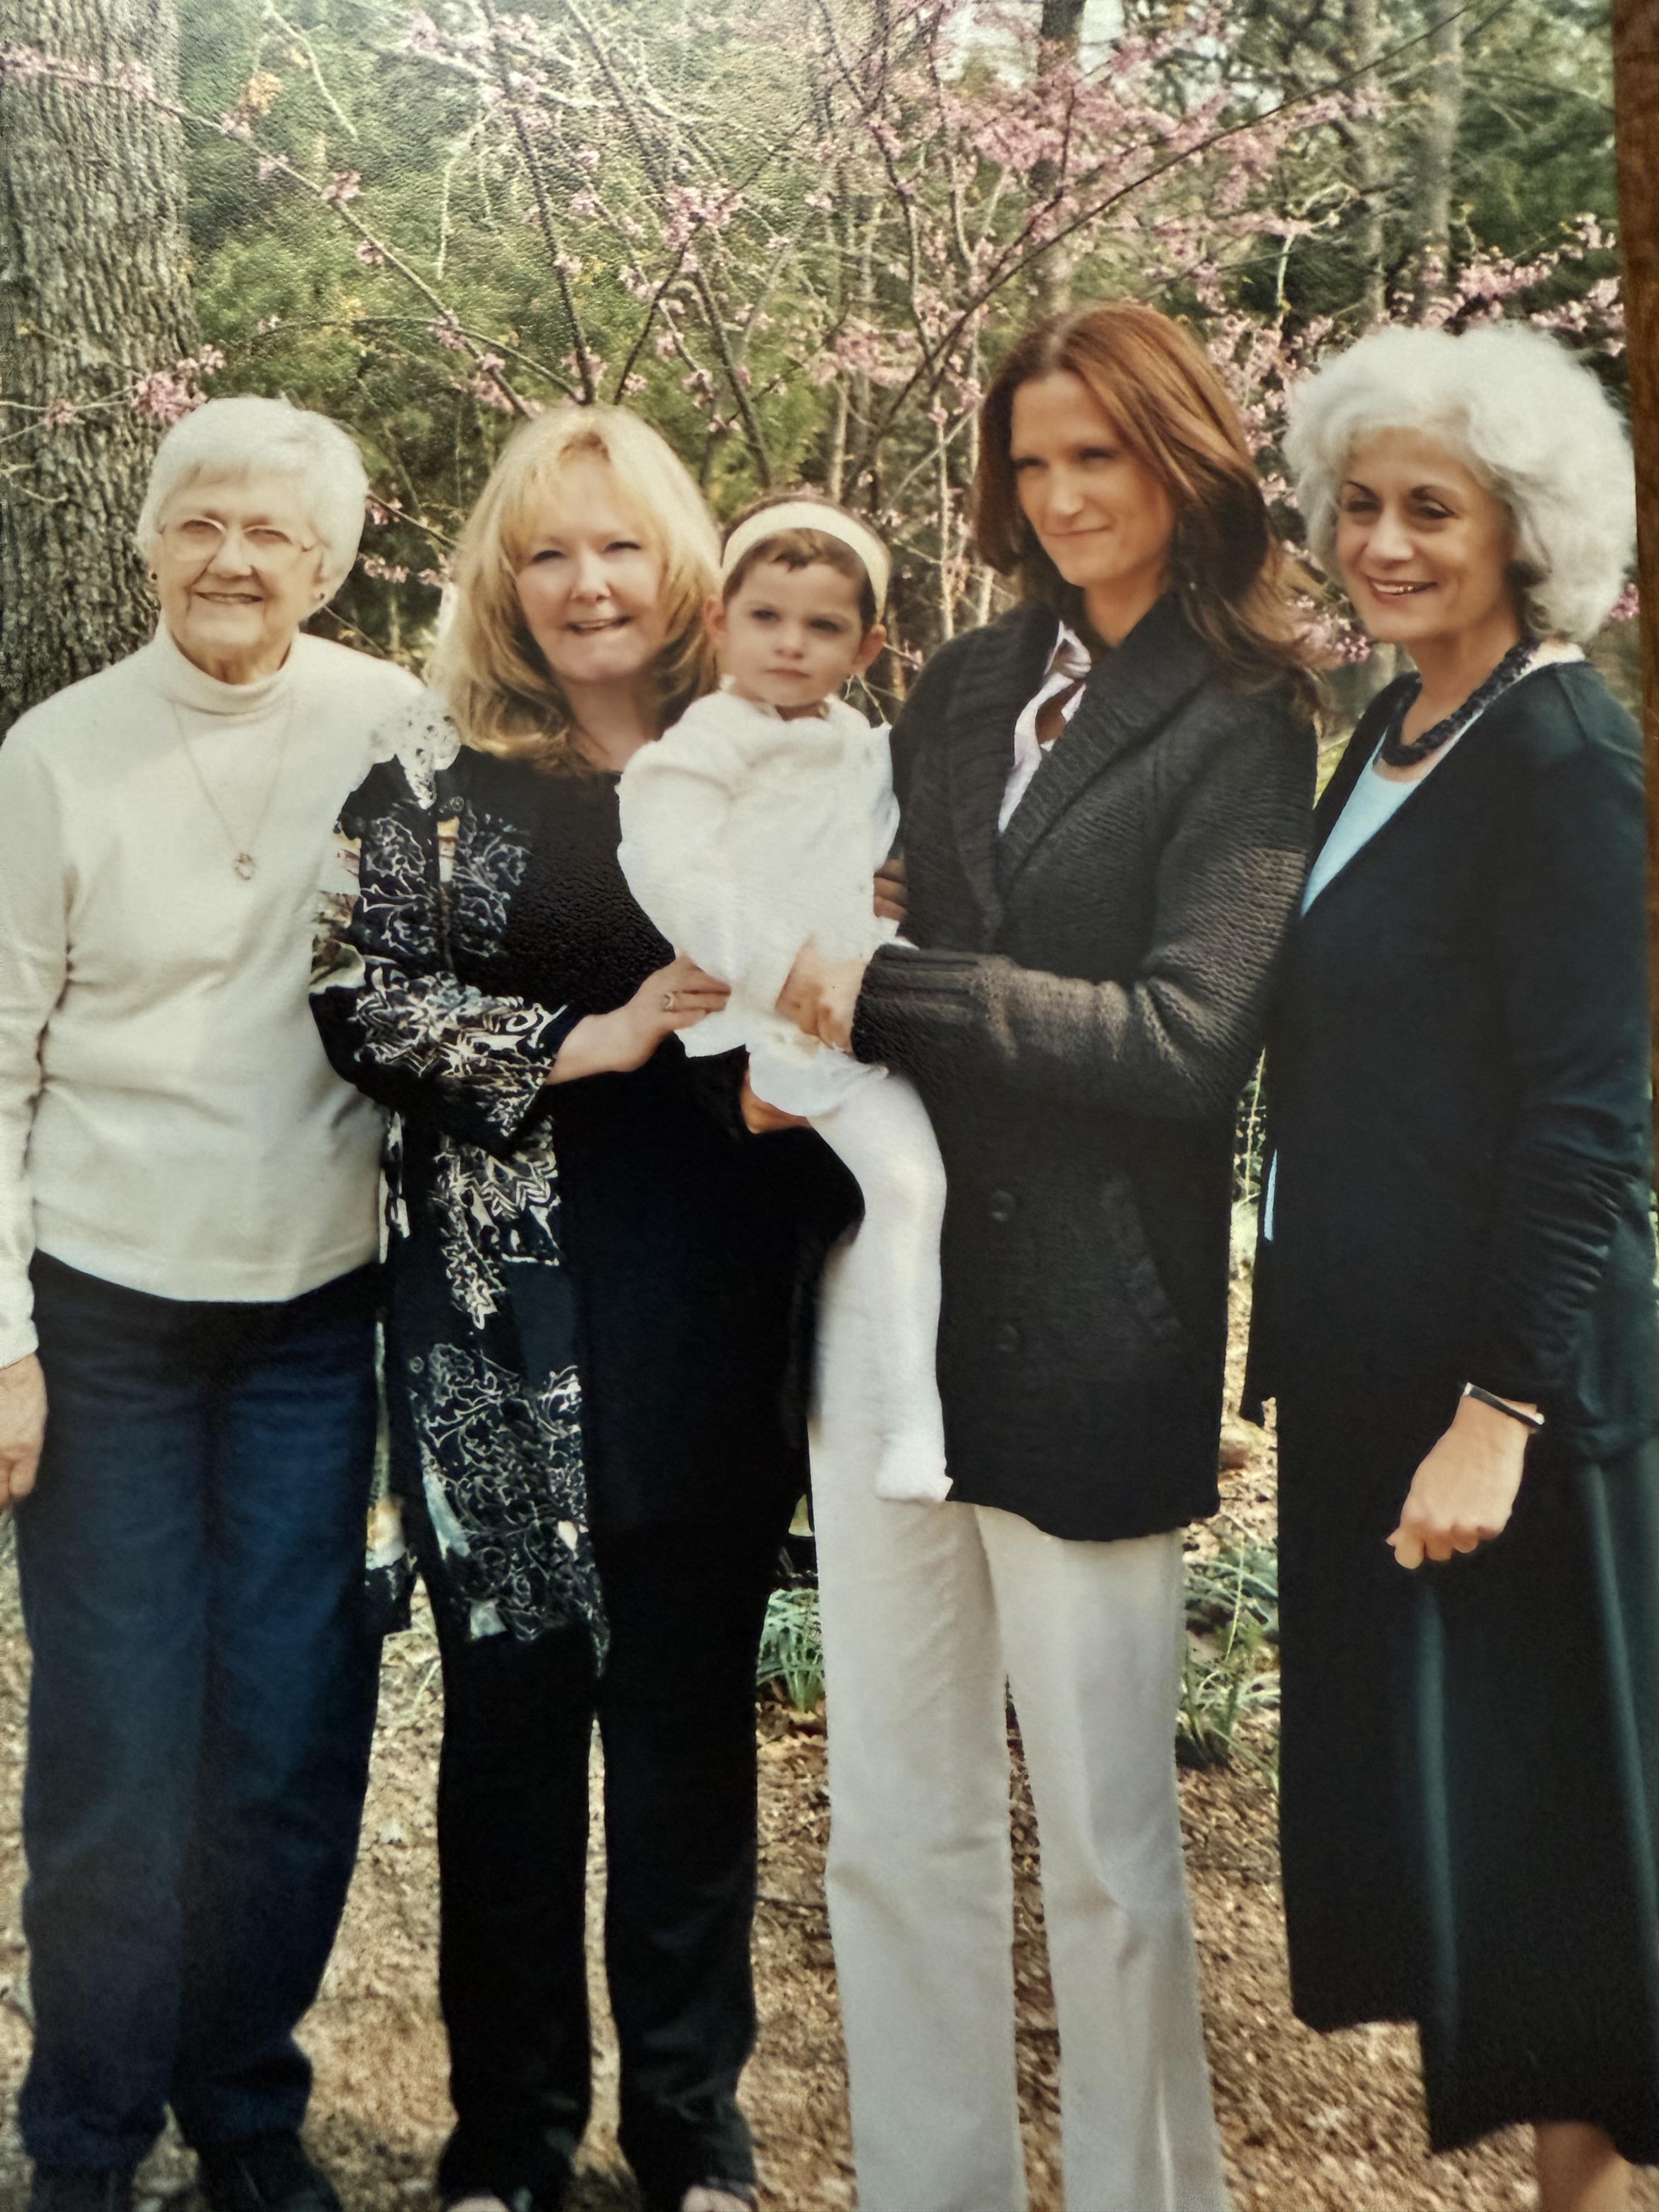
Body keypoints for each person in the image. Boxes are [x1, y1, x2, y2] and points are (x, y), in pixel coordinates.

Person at [770, 300, 1318, 2212]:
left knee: (1103, 1842)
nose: (1067, 492)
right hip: (889, 1311)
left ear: (1183, 464)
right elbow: (843, 913)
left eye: (1103, 454)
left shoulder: (1249, 716)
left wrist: (901, 981)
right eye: (1034, 460)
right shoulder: (954, 686)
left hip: (1097, 1320)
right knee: (894, 1823)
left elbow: (1184, 1044)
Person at [309, 404, 855, 2212]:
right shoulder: (434, 779)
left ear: (683, 563)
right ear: (502, 579)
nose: (586, 583)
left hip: (716, 1289)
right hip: (493, 1317)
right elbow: (357, 993)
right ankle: (509, 2139)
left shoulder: (771, 751)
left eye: (618, 546)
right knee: (517, 1720)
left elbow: (877, 939)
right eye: (547, 550)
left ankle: (692, 2130)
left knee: (690, 1711)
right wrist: (581, 1038)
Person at [1243, 322, 1659, 2212]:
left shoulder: (1563, 749)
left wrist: (1496, 1410)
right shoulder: (1398, 726)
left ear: (1525, 529)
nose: (1386, 540)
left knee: (1563, 1822)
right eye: (1361, 502)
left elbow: (1589, 1112)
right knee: (1479, 1831)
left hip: (1513, 1391)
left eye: (1434, 507)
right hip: (1372, 1364)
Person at [0, 396, 424, 2212]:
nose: (234, 560)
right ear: (150, 541)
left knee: (284, 1732)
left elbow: (462, 977)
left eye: (274, 533)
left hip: (314, 1325)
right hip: (102, 1323)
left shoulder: (396, 725)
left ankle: (245, 2107)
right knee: (113, 1734)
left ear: (328, 563)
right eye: (202, 524)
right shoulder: (53, 754)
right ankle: (85, 2131)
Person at [617, 493, 949, 1505]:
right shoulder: (704, 744)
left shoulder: (865, 744)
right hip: (767, 1026)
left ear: (869, 645)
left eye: (824, 627)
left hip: (867, 1015)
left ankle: (906, 1413)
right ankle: (875, 1434)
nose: (791, 645)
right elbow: (672, 871)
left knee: (909, 1193)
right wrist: (785, 966)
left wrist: (897, 887)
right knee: (867, 1199)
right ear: (719, 622)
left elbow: (896, 836)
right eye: (766, 618)